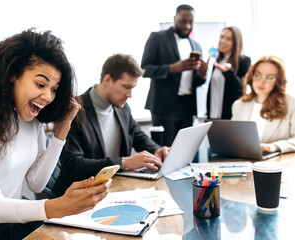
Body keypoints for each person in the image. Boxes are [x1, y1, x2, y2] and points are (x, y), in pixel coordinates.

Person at [0, 29, 110, 240]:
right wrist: (58, 206)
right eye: (40, 84)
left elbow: (36, 183)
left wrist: (61, 131)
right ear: (13, 75)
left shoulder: (30, 119)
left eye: (54, 89)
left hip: (14, 223)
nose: (48, 96)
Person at [51, 54, 170, 197]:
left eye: (132, 88)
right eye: (126, 87)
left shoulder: (123, 108)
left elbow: (138, 136)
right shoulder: (73, 110)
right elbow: (72, 165)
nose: (130, 95)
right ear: (107, 80)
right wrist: (123, 162)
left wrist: (157, 151)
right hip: (77, 195)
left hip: (113, 191)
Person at [141, 4, 208, 147]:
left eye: (191, 22)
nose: (187, 26)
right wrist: (172, 68)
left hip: (188, 107)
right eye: (183, 21)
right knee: (165, 150)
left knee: (184, 150)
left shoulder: (196, 45)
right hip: (164, 107)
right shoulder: (157, 38)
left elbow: (194, 82)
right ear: (174, 18)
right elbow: (144, 69)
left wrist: (202, 76)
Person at [232, 55, 295, 153]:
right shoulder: (239, 105)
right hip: (244, 160)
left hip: (277, 162)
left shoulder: (291, 104)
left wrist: (276, 146)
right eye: (257, 75)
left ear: (278, 81)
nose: (261, 82)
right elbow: (233, 138)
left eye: (269, 78)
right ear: (251, 76)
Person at [207, 26, 251, 119]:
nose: (222, 41)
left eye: (228, 39)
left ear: (236, 42)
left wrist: (228, 72)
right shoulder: (217, 61)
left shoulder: (244, 61)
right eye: (222, 37)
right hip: (213, 114)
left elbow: (241, 87)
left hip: (230, 115)